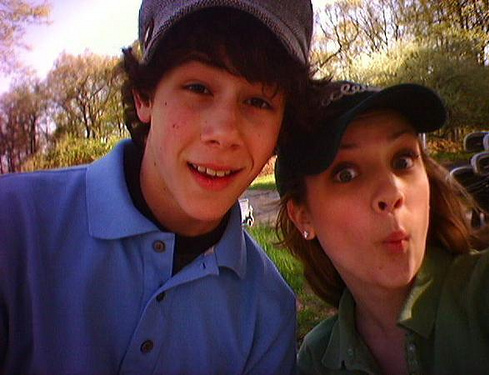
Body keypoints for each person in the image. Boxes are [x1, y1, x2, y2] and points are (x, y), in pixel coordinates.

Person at [0, 1, 314, 374]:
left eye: (258, 101)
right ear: (144, 97)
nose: (225, 133)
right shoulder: (13, 225)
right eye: (198, 88)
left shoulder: (269, 310)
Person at [275, 80, 489, 375]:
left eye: (403, 160)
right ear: (302, 216)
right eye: (346, 174)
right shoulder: (317, 360)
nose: (392, 192)